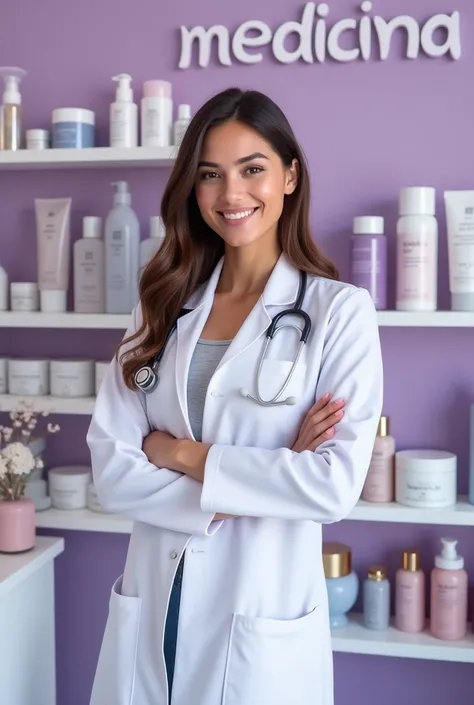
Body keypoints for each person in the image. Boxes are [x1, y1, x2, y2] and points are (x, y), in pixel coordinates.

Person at [86, 87, 383, 705]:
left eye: (253, 169)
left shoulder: (338, 313)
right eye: (210, 175)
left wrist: (181, 455)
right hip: (156, 601)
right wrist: (270, 473)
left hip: (258, 614)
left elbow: (330, 486)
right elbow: (113, 472)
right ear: (193, 191)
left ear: (290, 176)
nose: (232, 195)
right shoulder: (162, 305)